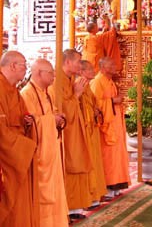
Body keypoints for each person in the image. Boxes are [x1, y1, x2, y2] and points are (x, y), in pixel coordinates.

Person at [21, 59, 69, 226]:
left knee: (55, 189)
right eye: (50, 73)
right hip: (40, 153)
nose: (54, 76)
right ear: (39, 73)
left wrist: (57, 118)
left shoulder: (46, 92)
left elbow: (46, 116)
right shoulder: (27, 94)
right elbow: (30, 123)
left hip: (52, 149)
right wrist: (51, 120)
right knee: (44, 192)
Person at [49, 48, 92, 220]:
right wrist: (76, 95)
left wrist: (76, 96)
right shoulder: (56, 81)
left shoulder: (70, 79)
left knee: (78, 164)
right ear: (67, 62)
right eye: (77, 62)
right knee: (69, 165)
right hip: (66, 132)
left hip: (76, 130)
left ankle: (75, 207)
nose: (79, 65)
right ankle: (67, 208)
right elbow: (61, 108)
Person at [0, 51, 39, 226]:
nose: (26, 69)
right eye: (24, 64)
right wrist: (24, 146)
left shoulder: (14, 90)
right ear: (13, 66)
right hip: (8, 156)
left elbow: (22, 117)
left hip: (19, 152)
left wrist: (27, 122)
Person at [90, 57, 130, 197]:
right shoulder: (97, 82)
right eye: (111, 65)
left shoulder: (110, 82)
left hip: (115, 125)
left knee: (117, 157)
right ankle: (107, 187)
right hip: (106, 127)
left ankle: (116, 185)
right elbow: (95, 104)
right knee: (108, 158)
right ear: (102, 67)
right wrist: (113, 100)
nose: (114, 66)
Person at [78, 60, 107, 208]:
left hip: (92, 128)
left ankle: (95, 196)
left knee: (95, 162)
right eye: (89, 69)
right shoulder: (79, 86)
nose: (93, 71)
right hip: (84, 130)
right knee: (89, 163)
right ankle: (88, 198)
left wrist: (96, 111)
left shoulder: (88, 86)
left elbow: (93, 104)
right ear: (81, 71)